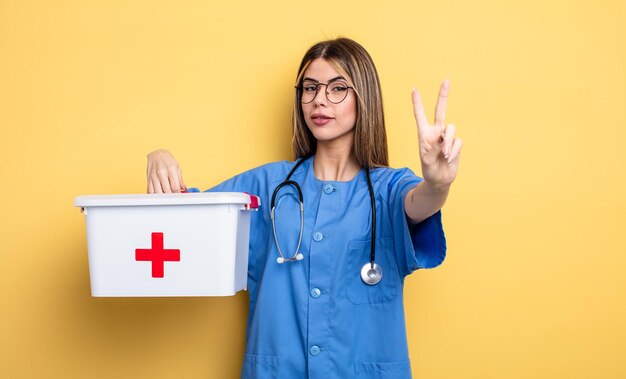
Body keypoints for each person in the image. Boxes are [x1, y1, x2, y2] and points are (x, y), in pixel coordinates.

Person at [147, 37, 461, 379]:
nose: (319, 100)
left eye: (337, 88)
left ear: (364, 98)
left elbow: (419, 204)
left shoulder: (388, 189)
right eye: (309, 88)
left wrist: (438, 183)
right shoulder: (266, 186)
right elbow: (184, 216)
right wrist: (159, 156)